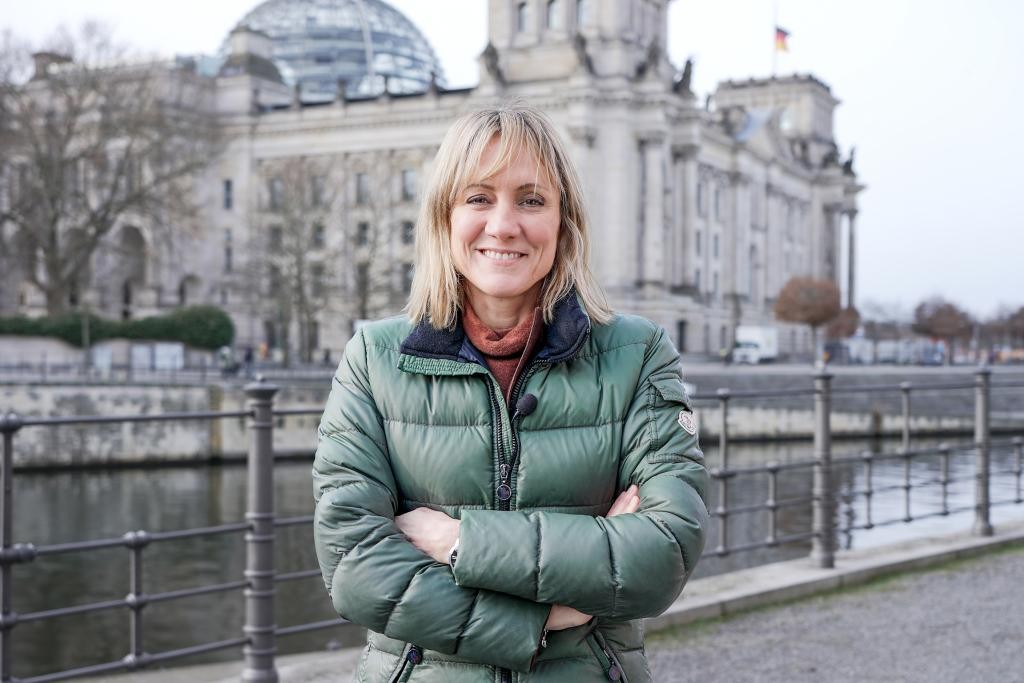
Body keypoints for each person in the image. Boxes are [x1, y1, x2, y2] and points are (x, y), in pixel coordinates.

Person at [313, 104, 709, 683]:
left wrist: (457, 541)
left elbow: (664, 554)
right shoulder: (374, 358)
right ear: (444, 216)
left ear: (564, 221)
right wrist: (544, 619)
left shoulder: (638, 353)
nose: (503, 225)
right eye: (478, 197)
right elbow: (355, 568)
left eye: (531, 200)